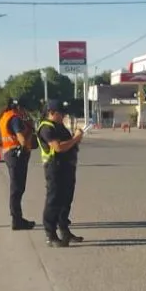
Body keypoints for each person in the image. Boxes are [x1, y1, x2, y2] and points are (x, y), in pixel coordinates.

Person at [36, 101, 85, 248]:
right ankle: (50, 235)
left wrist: (76, 139)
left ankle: (65, 231)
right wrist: (76, 138)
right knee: (54, 201)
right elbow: (57, 147)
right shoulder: (46, 128)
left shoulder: (59, 126)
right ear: (51, 112)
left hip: (67, 167)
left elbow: (68, 144)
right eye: (60, 113)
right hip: (54, 168)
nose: (63, 115)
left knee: (66, 201)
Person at [0, 98, 36, 231]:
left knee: (17, 188)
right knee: (17, 189)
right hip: (16, 155)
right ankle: (17, 220)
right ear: (19, 108)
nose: (25, 112)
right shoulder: (15, 119)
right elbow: (22, 140)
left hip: (9, 153)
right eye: (24, 109)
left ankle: (17, 218)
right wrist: (30, 130)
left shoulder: (4, 116)